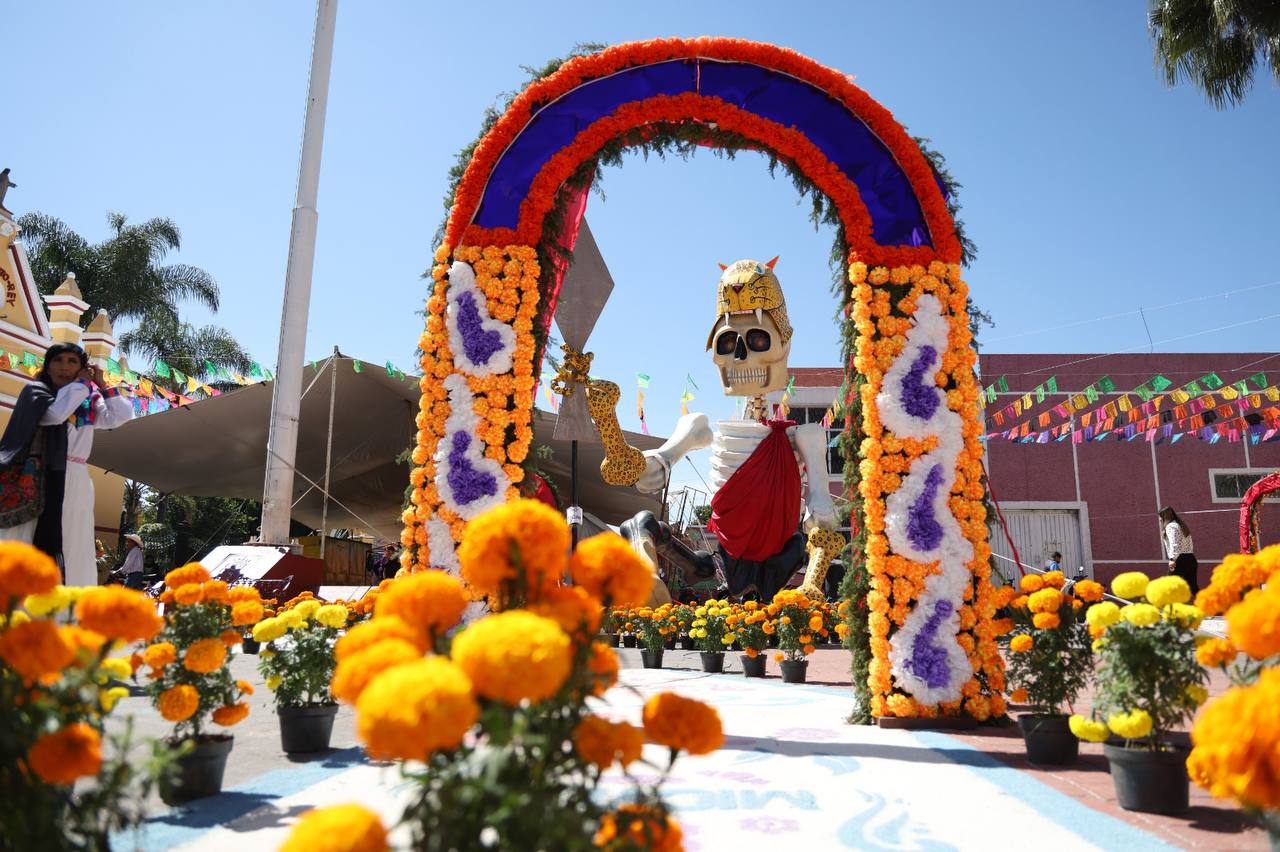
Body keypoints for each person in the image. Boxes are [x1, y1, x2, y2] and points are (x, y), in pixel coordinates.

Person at [0, 343, 133, 585]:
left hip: (75, 477)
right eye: (58, 360)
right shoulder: (36, 392)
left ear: (82, 368)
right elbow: (56, 414)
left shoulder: (86, 398)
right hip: (38, 477)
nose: (64, 367)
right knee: (28, 537)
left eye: (72, 361)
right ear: (47, 366)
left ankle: (63, 608)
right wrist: (81, 385)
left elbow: (119, 416)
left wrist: (101, 384)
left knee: (73, 541)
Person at [1158, 506, 1198, 597]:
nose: (1160, 520)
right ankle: (1208, 607)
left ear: (1165, 517)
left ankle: (1167, 608)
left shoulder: (1171, 526)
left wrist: (1172, 559)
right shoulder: (1181, 525)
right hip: (1190, 558)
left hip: (1180, 560)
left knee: (1168, 586)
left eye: (1160, 518)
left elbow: (1174, 543)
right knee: (1193, 587)